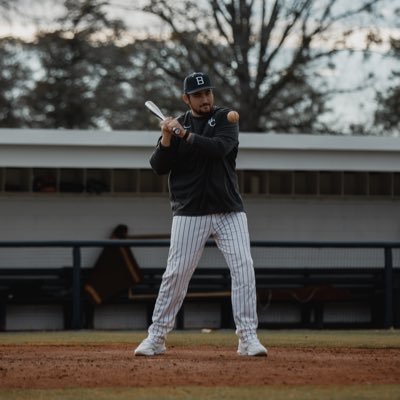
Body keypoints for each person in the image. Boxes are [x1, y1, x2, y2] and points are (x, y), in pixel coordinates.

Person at [134, 72, 267, 357]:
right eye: (198, 95)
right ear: (187, 99)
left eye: (208, 93)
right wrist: (167, 137)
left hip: (229, 210)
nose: (205, 99)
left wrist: (184, 134)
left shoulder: (224, 118)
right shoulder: (177, 126)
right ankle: (156, 337)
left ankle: (248, 338)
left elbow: (218, 149)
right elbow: (158, 166)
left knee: (244, 268)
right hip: (189, 211)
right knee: (176, 275)